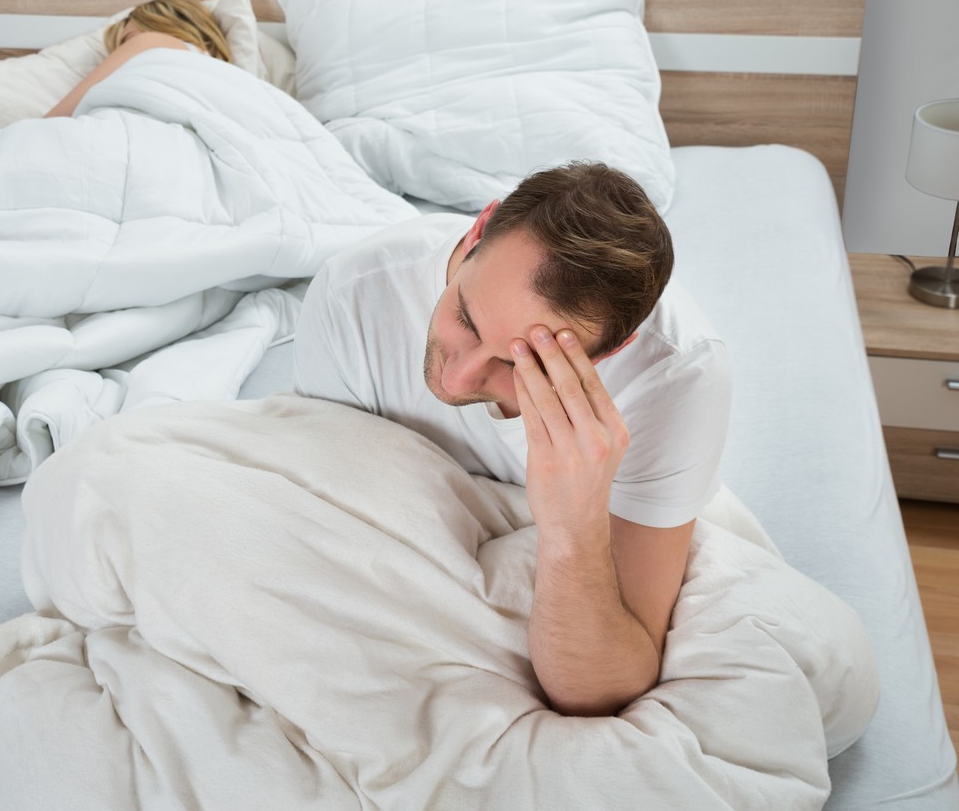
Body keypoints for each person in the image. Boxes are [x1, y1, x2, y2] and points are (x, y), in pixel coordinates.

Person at [293, 161, 731, 718]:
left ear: (607, 356)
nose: (455, 380)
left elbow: (602, 689)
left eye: (517, 364)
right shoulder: (353, 295)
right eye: (467, 319)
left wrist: (572, 529)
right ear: (478, 232)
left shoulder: (675, 376)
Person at [44, 0, 233, 119]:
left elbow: (60, 117)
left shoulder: (151, 40)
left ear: (159, 23)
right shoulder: (225, 75)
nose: (124, 50)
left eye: (128, 39)